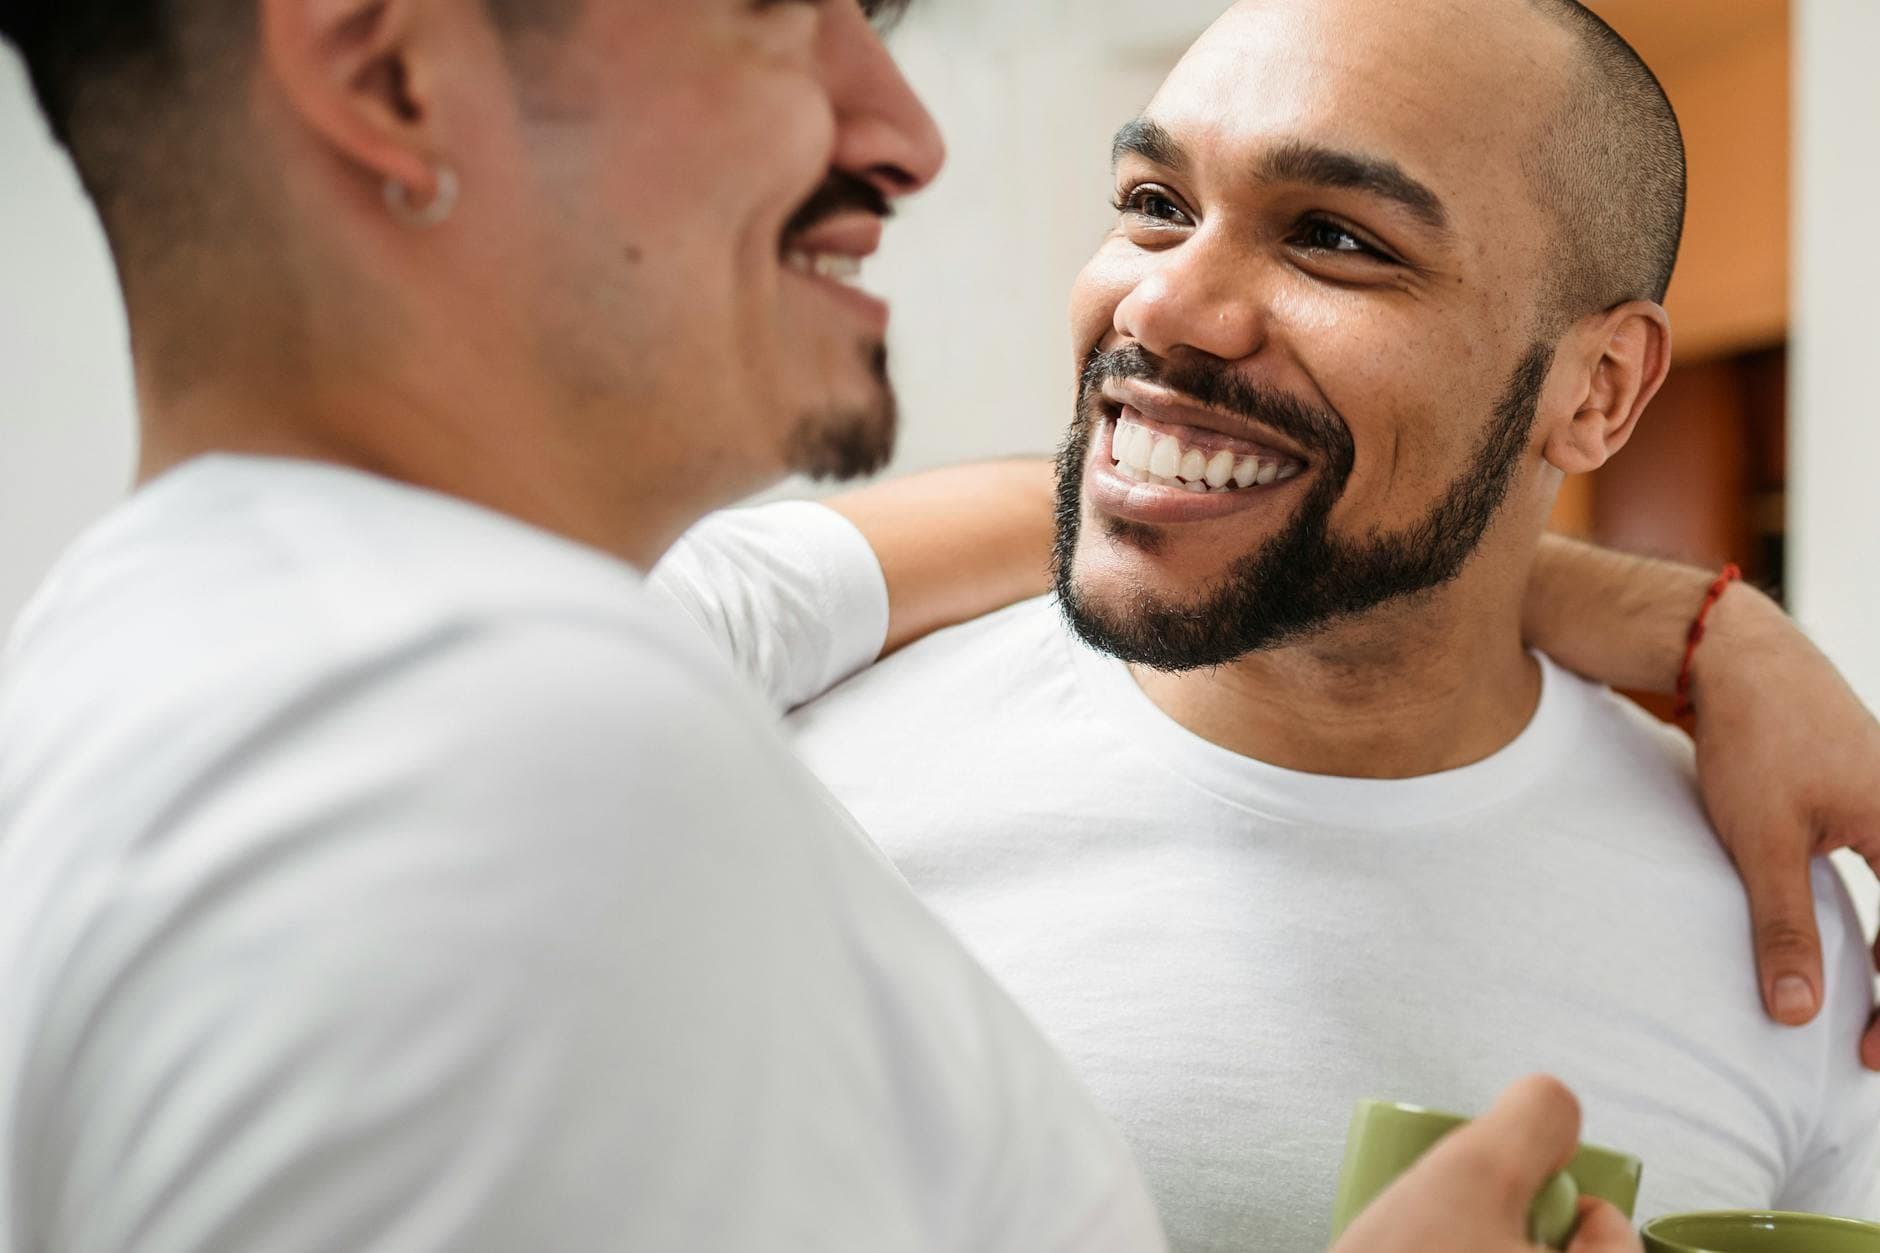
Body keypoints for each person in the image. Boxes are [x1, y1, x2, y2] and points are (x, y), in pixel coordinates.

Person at [0, 0, 1661, 1249]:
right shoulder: (509, 757)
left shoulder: (177, 656)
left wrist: (1623, 601)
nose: (903, 134)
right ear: (387, 81)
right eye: (785, 19)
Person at [644, 0, 1880, 1248]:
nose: (1164, 304)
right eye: (1154, 204)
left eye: (1334, 238)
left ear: (1598, 389)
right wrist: (1689, 616)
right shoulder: (749, 752)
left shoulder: (1779, 929)